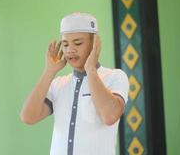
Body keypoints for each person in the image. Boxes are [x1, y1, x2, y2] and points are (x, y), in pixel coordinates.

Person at [20, 12, 129, 155]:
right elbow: (28, 117)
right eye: (65, 44)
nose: (70, 49)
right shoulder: (58, 84)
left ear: (95, 44)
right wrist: (49, 72)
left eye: (78, 43)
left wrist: (90, 69)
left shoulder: (115, 77)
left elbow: (110, 117)